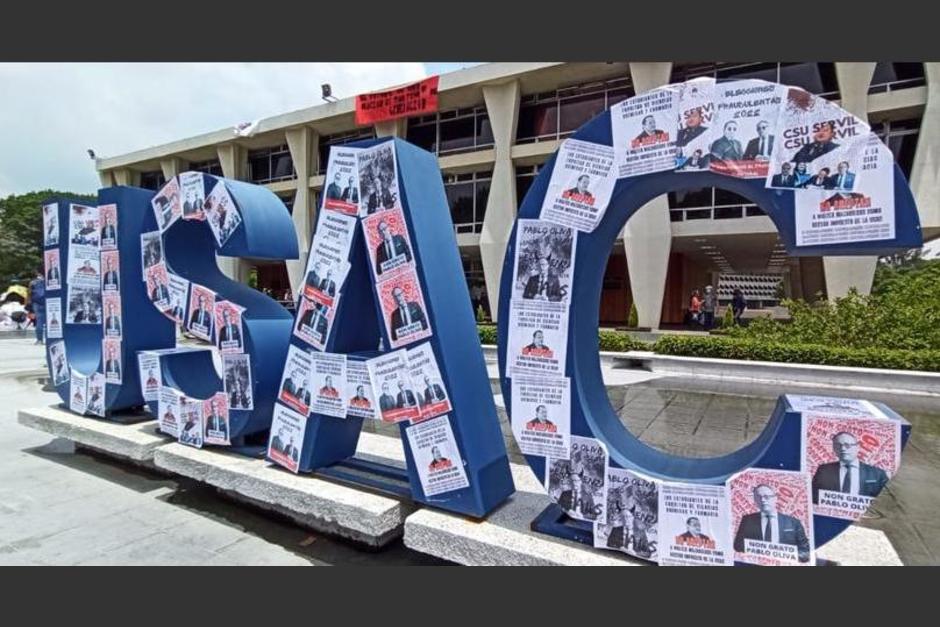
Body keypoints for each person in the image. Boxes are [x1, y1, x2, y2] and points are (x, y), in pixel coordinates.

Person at [733, 484, 811, 563]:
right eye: (758, 497)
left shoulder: (793, 522)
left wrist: (785, 557)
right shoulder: (747, 520)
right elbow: (738, 546)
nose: (763, 500)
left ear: (775, 498)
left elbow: (805, 552)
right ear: (755, 500)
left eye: (766, 496)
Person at [811, 431, 889, 503]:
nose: (842, 448)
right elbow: (813, 497)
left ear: (857, 447)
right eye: (838, 445)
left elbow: (886, 501)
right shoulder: (824, 471)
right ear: (834, 449)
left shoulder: (877, 474)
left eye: (847, 445)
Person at [29, 269, 45, 345]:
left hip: (36, 303)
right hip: (48, 302)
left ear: (38, 273)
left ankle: (39, 340)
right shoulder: (48, 281)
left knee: (39, 321)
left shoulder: (32, 282)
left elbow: (29, 294)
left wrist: (30, 307)